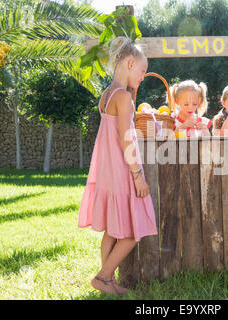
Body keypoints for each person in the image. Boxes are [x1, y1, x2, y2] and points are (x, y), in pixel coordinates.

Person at [78, 36, 157, 296]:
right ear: (130, 63)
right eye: (143, 71)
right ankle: (102, 277)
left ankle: (108, 282)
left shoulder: (107, 94)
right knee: (134, 230)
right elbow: (126, 138)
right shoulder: (123, 97)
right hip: (124, 170)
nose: (143, 76)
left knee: (113, 230)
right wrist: (137, 176)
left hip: (107, 171)